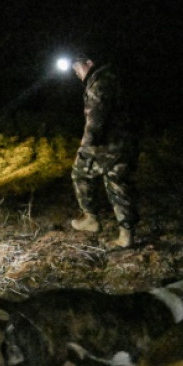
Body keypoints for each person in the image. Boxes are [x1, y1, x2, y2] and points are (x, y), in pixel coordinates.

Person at [69, 54, 138, 248]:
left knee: (79, 172)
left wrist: (85, 148)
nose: (75, 71)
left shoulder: (98, 83)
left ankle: (90, 218)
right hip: (126, 142)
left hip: (108, 145)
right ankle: (127, 235)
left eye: (77, 66)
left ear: (89, 63)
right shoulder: (114, 77)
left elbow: (95, 121)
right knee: (118, 183)